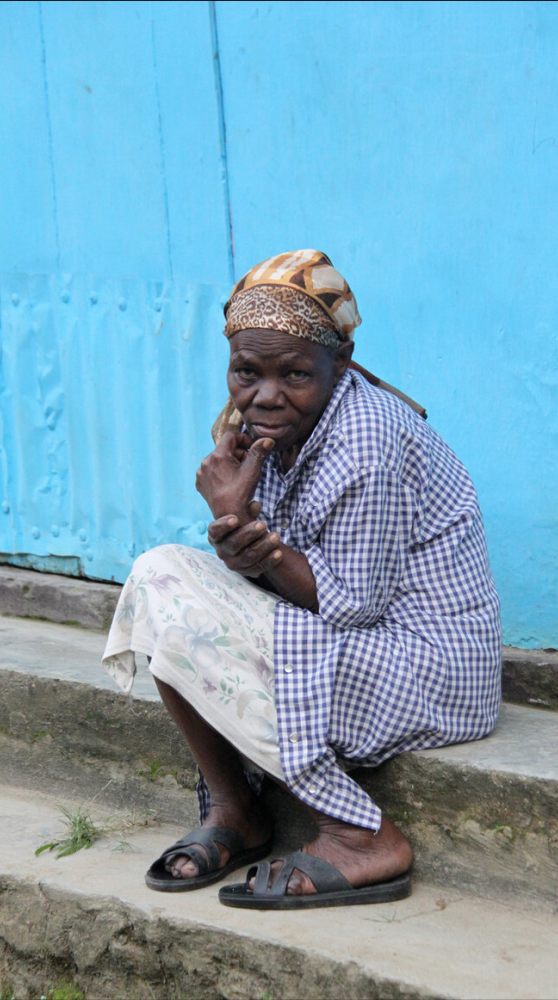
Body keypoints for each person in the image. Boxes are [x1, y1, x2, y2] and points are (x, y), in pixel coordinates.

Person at [102, 249, 501, 910]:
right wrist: (239, 527)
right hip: (362, 644)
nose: (266, 394)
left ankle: (361, 835)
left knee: (178, 601)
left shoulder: (365, 437)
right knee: (159, 582)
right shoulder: (270, 427)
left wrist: (242, 529)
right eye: (245, 372)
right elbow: (268, 588)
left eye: (294, 373)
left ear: (337, 365)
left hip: (427, 668)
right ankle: (238, 811)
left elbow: (353, 609)